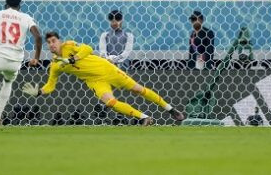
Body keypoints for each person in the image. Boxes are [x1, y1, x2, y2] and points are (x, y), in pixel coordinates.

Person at [22, 31, 185, 125]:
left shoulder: (69, 46)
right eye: (49, 42)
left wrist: (73, 59)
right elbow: (51, 85)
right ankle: (144, 118)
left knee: (138, 90)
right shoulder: (55, 65)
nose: (51, 44)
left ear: (60, 41)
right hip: (94, 81)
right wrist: (39, 92)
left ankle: (170, 109)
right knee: (110, 102)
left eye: (54, 41)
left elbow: (87, 48)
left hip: (106, 69)